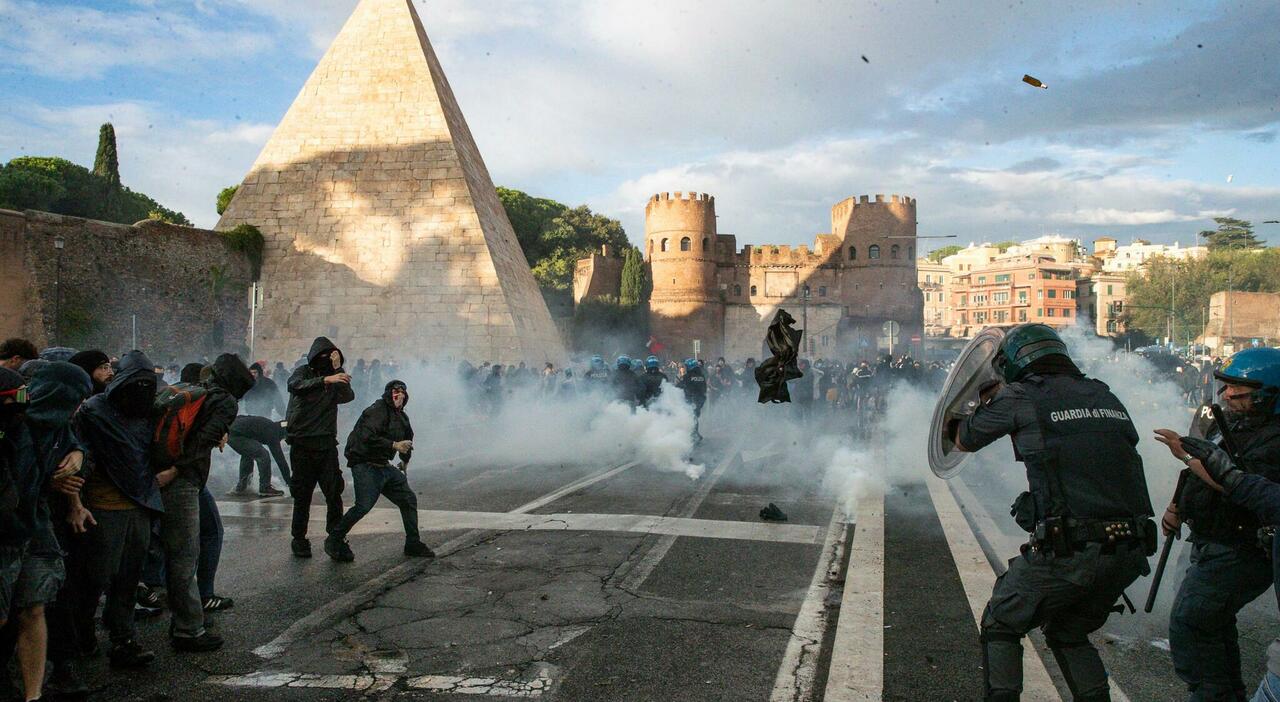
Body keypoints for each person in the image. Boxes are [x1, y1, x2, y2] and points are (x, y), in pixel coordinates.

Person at [949, 323, 1154, 702]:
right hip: (1129, 549)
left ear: (1012, 363)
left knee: (1002, 622)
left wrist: (985, 398)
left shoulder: (1020, 397)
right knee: (1068, 631)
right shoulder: (1104, 395)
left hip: (1071, 551)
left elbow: (961, 438)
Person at [1152, 349, 1280, 702]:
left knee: (1193, 622)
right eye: (1225, 389)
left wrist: (1191, 457)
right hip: (1210, 541)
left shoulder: (1273, 438)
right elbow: (1193, 471)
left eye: (1238, 393)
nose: (1226, 397)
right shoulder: (1230, 424)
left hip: (1240, 548)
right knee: (1211, 626)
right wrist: (1176, 506)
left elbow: (1237, 484)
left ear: (1269, 396)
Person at [0, 363, 90, 702]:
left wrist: (79, 457)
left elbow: (74, 444)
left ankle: (33, 694)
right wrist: (46, 481)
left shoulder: (60, 427)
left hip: (35, 531)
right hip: (7, 534)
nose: (81, 406)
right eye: (77, 397)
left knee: (34, 607)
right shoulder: (13, 427)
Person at [155, 353, 253, 652]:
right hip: (182, 479)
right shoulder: (225, 401)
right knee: (184, 553)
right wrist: (178, 468)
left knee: (193, 541)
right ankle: (188, 629)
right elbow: (202, 440)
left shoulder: (195, 388)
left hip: (169, 473)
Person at [72, 350, 161, 668]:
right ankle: (80, 635)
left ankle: (123, 640)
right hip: (104, 506)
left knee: (128, 578)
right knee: (94, 578)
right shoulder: (94, 410)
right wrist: (76, 501)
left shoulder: (150, 411)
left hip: (138, 504)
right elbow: (82, 454)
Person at [325, 380, 433, 562]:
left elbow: (407, 441)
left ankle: (413, 543)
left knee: (408, 499)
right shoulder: (377, 410)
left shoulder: (401, 417)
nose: (399, 395)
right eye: (395, 391)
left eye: (403, 392)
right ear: (388, 393)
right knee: (363, 506)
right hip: (364, 463)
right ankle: (334, 539)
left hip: (383, 465)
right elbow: (367, 436)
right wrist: (393, 444)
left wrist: (404, 461)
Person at [285, 337, 355, 558]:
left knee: (334, 493)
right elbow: (294, 386)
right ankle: (299, 538)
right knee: (302, 494)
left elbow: (348, 396)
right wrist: (326, 379)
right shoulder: (304, 372)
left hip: (326, 444)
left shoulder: (336, 380)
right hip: (302, 443)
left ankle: (335, 538)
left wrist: (338, 371)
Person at [227, 415, 290, 497]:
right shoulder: (273, 433)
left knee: (248, 454)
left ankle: (242, 487)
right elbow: (280, 461)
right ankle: (265, 487)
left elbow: (243, 417)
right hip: (234, 434)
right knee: (263, 455)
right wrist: (290, 482)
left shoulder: (270, 424)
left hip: (230, 430)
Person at [676, 359, 707, 441]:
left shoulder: (688, 376)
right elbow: (704, 389)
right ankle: (695, 433)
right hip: (701, 399)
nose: (685, 368)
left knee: (691, 416)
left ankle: (693, 434)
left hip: (692, 399)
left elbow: (681, 386)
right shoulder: (701, 376)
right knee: (695, 416)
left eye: (686, 366)